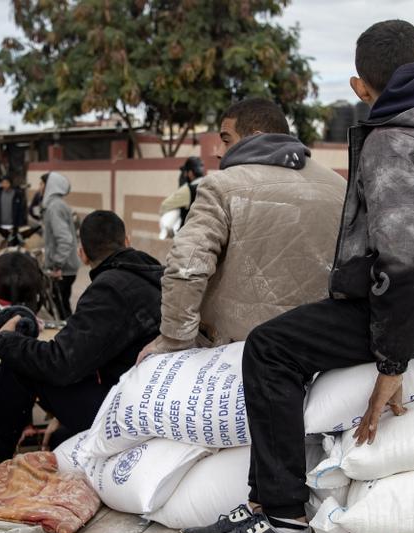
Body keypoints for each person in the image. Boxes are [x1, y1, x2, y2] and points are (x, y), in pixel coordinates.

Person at [183, 20, 414, 533]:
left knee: (270, 348)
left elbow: (404, 260)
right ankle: (269, 500)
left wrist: (392, 361)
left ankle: (283, 517)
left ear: (361, 87)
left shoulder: (394, 138)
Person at [0, 211, 163, 484]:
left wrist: (6, 341)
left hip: (125, 410)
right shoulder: (154, 277)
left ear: (82, 254)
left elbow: (61, 364)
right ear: (127, 240)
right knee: (60, 436)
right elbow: (95, 355)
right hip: (144, 401)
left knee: (21, 364)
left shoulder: (110, 289)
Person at [138, 97, 346, 358]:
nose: (217, 151)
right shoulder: (340, 187)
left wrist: (174, 340)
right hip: (320, 351)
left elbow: (186, 266)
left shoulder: (222, 186)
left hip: (237, 354)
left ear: (256, 137)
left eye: (226, 139)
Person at [41, 171, 81, 319]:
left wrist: (57, 265)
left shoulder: (55, 207)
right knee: (62, 303)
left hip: (63, 269)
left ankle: (71, 336)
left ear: (50, 186)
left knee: (62, 308)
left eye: (42, 184)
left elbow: (65, 239)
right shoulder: (56, 205)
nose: (40, 188)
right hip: (65, 267)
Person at [157, 156, 206, 238]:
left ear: (190, 173)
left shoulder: (188, 190)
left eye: (185, 172)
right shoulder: (209, 185)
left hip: (188, 238)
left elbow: (164, 206)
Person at [0, 175, 28, 245]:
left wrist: (20, 223)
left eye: (6, 183)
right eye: (3, 183)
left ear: (10, 183)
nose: (5, 185)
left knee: (13, 246)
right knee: (1, 246)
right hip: (0, 226)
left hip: (13, 226)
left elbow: (21, 210)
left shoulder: (17, 194)